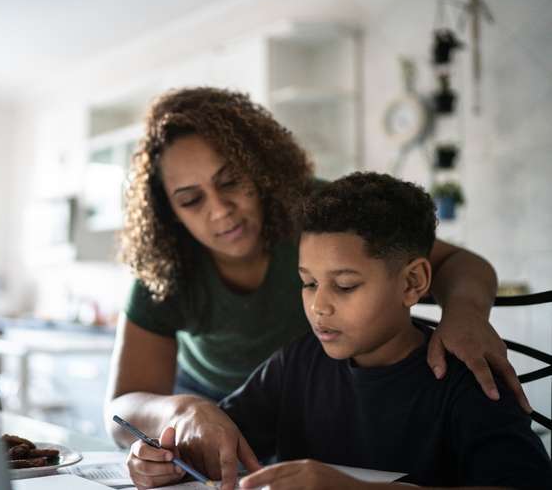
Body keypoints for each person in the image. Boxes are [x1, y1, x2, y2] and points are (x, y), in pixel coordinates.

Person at [105, 87, 529, 485]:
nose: (220, 211)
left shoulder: (322, 217)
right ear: (169, 213)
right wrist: (173, 436)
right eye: (306, 283)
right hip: (243, 408)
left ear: (261, 170)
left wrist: (466, 315)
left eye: (231, 180)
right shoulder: (293, 363)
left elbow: (459, 263)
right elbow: (129, 414)